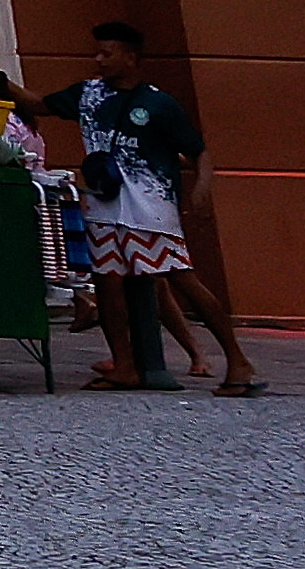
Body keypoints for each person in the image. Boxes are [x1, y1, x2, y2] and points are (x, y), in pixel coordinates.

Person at [26, 21, 263, 396]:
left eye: (107, 53)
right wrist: (1, 84)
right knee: (106, 281)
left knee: (181, 278)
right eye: (98, 52)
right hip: (106, 206)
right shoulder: (89, 94)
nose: (99, 60)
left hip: (150, 207)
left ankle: (237, 360)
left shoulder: (159, 103)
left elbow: (198, 150)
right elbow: (40, 104)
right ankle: (124, 365)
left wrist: (200, 190)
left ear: (131, 58)